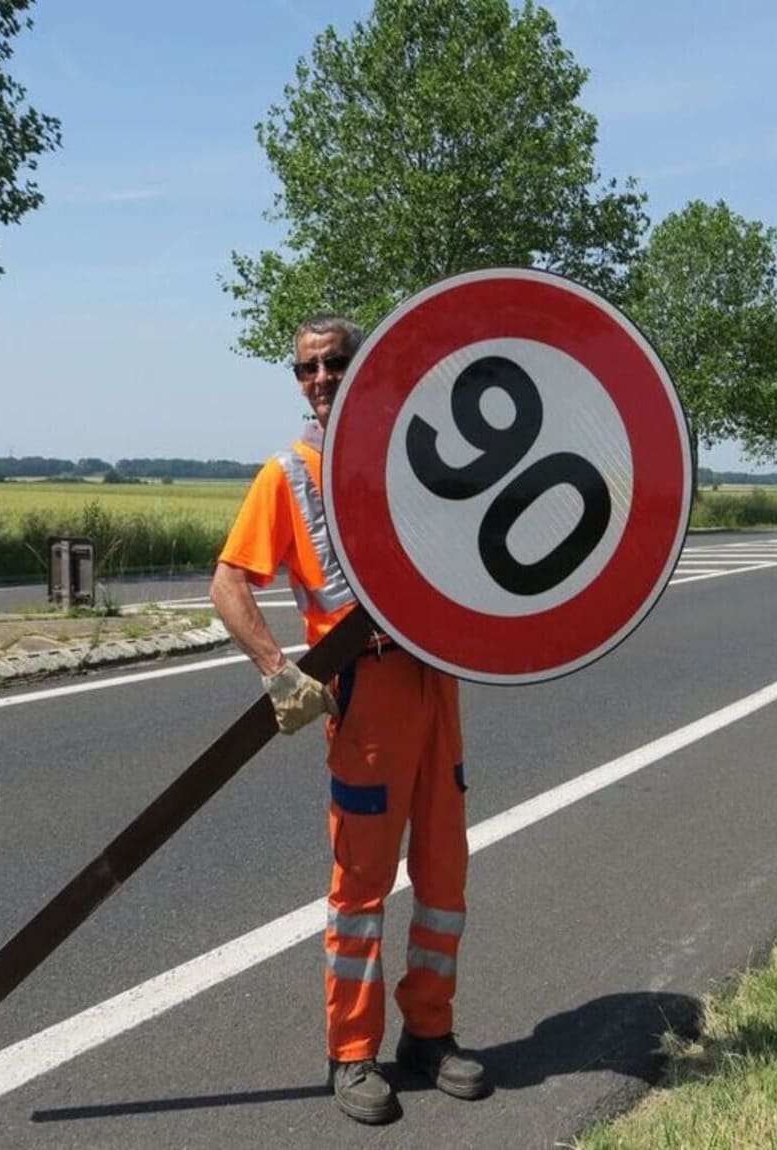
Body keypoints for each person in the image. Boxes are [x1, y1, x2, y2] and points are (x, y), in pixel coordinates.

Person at [211, 313, 489, 1126]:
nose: (323, 378)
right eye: (308, 369)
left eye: (338, 363)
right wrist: (278, 670)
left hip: (441, 695)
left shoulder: (415, 460)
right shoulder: (289, 476)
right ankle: (352, 1052)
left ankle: (429, 1035)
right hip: (363, 706)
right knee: (360, 890)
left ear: (366, 368)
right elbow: (228, 584)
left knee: (443, 879)